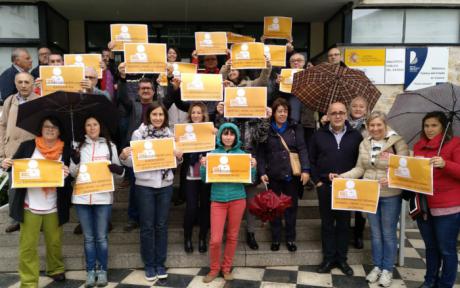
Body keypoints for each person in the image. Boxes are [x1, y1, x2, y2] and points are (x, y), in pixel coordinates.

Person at [332, 111, 409, 287]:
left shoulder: (397, 142)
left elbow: (405, 170)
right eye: (371, 125)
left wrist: (391, 178)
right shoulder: (365, 143)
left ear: (385, 125)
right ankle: (377, 266)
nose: (375, 128)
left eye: (378, 125)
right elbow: (360, 168)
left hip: (390, 194)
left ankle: (387, 269)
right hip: (369, 194)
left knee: (388, 234)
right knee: (375, 233)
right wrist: (342, 176)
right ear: (367, 126)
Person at [2, 116, 73, 287]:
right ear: (41, 129)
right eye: (47, 126)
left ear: (59, 131)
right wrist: (5, 163)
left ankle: (55, 268)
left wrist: (67, 172)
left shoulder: (66, 149)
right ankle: (28, 281)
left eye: (54, 127)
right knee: (28, 246)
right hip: (29, 204)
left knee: (54, 242)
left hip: (54, 204)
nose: (50, 129)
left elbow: (71, 173)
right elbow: (13, 165)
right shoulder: (28, 146)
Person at [119, 102, 183, 281]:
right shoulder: (139, 134)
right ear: (149, 116)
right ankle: (149, 264)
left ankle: (160, 263)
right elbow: (132, 162)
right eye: (154, 114)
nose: (157, 118)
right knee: (147, 226)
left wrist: (179, 157)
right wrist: (123, 157)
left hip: (165, 185)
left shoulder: (170, 135)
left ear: (165, 117)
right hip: (145, 186)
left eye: (161, 115)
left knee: (161, 226)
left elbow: (174, 163)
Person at [69, 116, 125, 287]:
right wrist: (75, 161)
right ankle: (90, 270)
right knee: (88, 237)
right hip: (82, 198)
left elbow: (119, 176)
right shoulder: (77, 146)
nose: (92, 128)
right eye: (88, 125)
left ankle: (102, 270)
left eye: (95, 124)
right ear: (84, 128)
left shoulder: (110, 146)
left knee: (101, 237)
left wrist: (118, 170)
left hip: (103, 197)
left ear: (101, 127)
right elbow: (72, 173)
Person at [309, 102, 362, 276]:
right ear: (328, 116)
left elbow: (360, 163)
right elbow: (311, 161)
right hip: (325, 186)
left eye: (341, 113)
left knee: (344, 225)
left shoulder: (356, 136)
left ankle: (342, 259)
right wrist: (318, 182)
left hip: (347, 188)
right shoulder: (318, 135)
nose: (338, 116)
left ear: (346, 115)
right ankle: (329, 258)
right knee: (327, 225)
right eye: (334, 113)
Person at [199, 122, 256, 283]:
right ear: (220, 136)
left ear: (236, 136)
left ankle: (226, 268)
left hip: (237, 199)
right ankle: (214, 268)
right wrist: (203, 167)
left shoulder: (242, 155)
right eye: (225, 133)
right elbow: (205, 179)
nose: (228, 137)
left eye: (231, 134)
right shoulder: (213, 154)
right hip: (217, 199)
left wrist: (253, 167)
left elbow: (249, 181)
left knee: (232, 236)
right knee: (215, 239)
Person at [412, 111, 460, 288]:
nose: (429, 129)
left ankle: (445, 284)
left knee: (447, 250)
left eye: (434, 125)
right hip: (424, 205)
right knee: (431, 247)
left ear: (443, 126)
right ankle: (429, 280)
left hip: (447, 207)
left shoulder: (455, 144)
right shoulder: (418, 146)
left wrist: (446, 164)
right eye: (426, 125)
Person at [257, 98, 310, 252]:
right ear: (273, 113)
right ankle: (276, 239)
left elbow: (303, 149)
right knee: (273, 208)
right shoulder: (267, 129)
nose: (282, 114)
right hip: (273, 175)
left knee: (291, 208)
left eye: (285, 111)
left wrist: (306, 169)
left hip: (291, 176)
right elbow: (261, 153)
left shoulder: (295, 128)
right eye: (279, 111)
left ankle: (290, 239)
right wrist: (262, 172)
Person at [0, 72, 39, 233]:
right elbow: (2, 125)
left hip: (32, 149)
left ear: (32, 84)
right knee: (14, 187)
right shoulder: (9, 101)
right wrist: (2, 151)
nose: (23, 85)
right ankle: (15, 219)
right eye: (20, 82)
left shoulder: (39, 101)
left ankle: (37, 217)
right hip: (12, 151)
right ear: (15, 83)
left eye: (26, 82)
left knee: (35, 186)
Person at [181, 102, 211, 254]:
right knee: (191, 208)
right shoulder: (184, 131)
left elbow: (217, 150)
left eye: (199, 113)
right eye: (193, 113)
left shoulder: (209, 131)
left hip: (206, 176)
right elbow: (180, 155)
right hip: (190, 176)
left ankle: (202, 239)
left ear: (203, 114)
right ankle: (187, 238)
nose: (196, 115)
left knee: (205, 207)